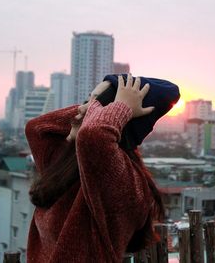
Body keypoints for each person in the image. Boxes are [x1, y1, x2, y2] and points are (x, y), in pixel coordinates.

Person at [25, 74, 180, 262]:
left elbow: (94, 135)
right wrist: (99, 102)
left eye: (98, 106)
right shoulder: (67, 166)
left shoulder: (126, 180)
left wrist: (122, 107)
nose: (82, 108)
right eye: (87, 100)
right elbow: (36, 128)